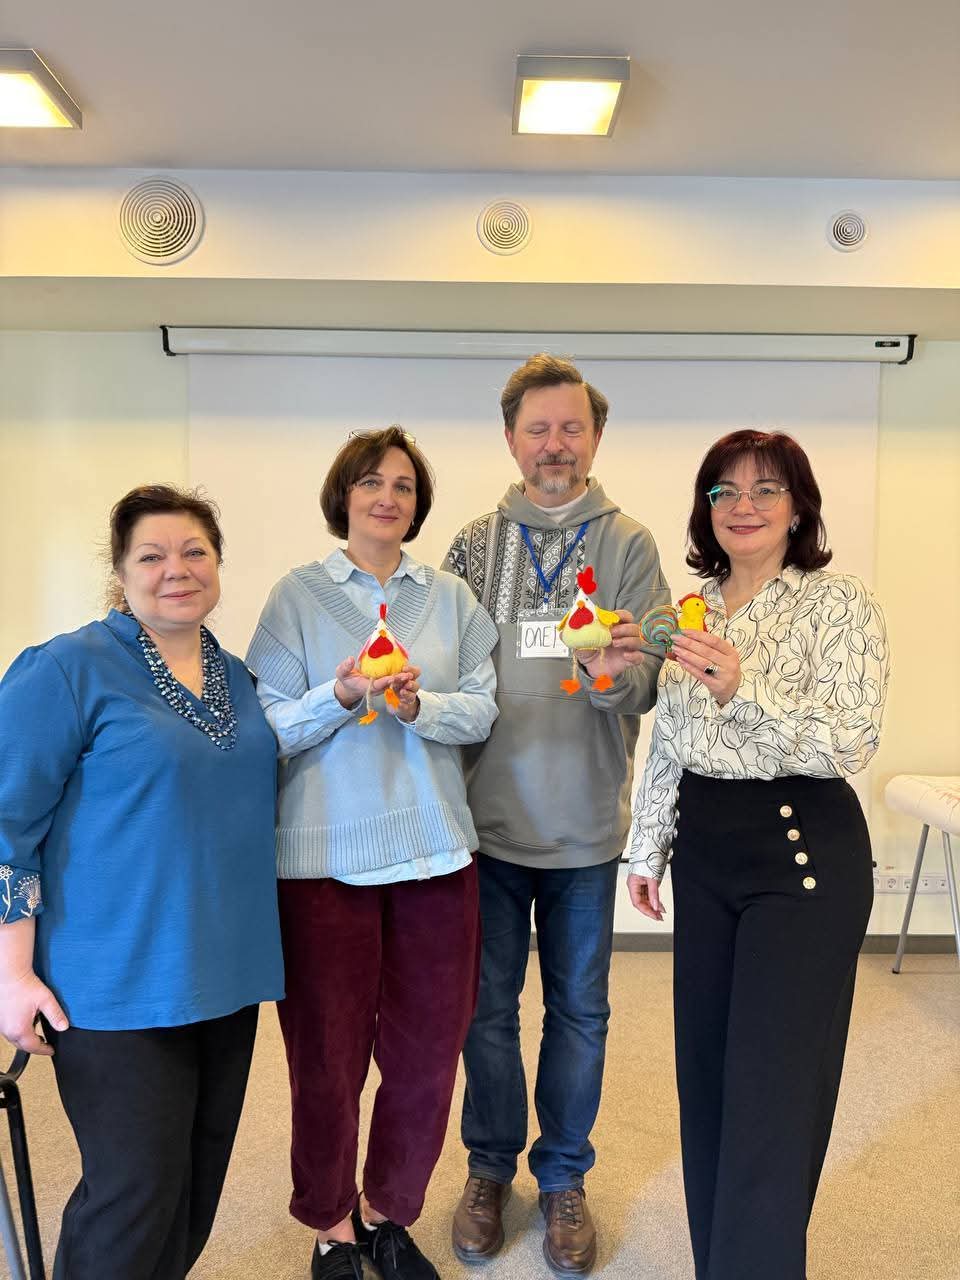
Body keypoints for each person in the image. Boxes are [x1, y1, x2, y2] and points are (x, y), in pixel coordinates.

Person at [0, 484, 285, 1280]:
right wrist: (11, 972)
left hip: (226, 975)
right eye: (152, 555)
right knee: (132, 1197)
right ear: (120, 571)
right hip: (116, 983)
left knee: (191, 1194)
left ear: (218, 564)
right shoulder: (67, 669)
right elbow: (5, 823)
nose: (176, 569)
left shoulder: (237, 677)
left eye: (195, 552)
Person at [627, 430, 890, 1280]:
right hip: (706, 853)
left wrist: (746, 688)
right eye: (725, 491)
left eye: (766, 489)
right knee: (707, 1082)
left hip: (801, 851)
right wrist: (647, 848)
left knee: (771, 1094)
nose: (744, 506)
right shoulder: (691, 607)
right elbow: (671, 735)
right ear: (706, 508)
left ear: (799, 507)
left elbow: (850, 741)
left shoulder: (837, 603)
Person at [246, 426, 499, 1280]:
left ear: (418, 505)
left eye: (403, 485)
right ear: (343, 496)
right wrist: (343, 692)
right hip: (324, 864)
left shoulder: (452, 598)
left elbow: (483, 710)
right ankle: (331, 1224)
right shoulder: (296, 596)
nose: (387, 497)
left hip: (436, 856)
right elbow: (270, 729)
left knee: (428, 1058)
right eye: (370, 482)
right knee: (326, 1061)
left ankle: (389, 1213)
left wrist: (421, 709)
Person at [444, 355, 670, 1275]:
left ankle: (565, 1176)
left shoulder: (631, 545)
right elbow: (443, 669)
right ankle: (489, 1169)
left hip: (584, 830)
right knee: (485, 1013)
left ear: (596, 437)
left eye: (571, 427)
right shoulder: (470, 546)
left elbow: (653, 678)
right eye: (537, 428)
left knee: (580, 1013)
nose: (554, 445)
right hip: (487, 826)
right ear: (510, 439)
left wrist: (616, 677)